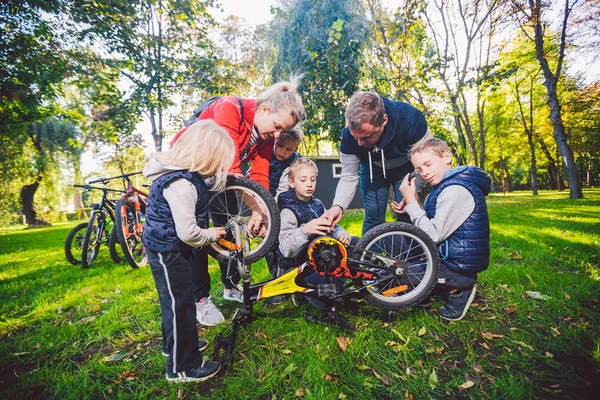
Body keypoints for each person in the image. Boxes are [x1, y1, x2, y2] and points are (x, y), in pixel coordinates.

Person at [171, 77, 306, 326]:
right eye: (276, 126)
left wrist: (260, 211)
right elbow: (230, 163)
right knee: (197, 235)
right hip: (189, 170)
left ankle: (230, 286)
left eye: (281, 132)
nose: (277, 136)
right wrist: (256, 206)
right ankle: (199, 300)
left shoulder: (266, 137)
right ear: (264, 109)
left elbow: (259, 178)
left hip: (220, 177)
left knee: (232, 225)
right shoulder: (230, 108)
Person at [142, 120, 235, 382]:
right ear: (205, 156)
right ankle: (183, 366)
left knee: (171, 302)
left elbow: (207, 186)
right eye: (218, 161)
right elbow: (188, 232)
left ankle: (172, 347)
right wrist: (212, 234)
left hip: (165, 248)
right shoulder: (180, 185)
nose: (219, 168)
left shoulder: (184, 177)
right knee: (180, 304)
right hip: (169, 252)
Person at [393, 137, 491, 321]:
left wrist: (413, 202)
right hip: (443, 258)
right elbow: (429, 225)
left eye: (428, 164)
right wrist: (409, 205)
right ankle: (425, 289)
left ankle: (459, 290)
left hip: (457, 268)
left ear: (447, 157)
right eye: (420, 169)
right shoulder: (441, 188)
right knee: (394, 244)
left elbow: (432, 235)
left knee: (395, 275)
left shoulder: (456, 190)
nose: (425, 173)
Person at [323, 92, 432, 235]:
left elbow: (426, 161)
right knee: (373, 214)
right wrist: (338, 206)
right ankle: (367, 256)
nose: (360, 143)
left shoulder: (411, 120)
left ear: (384, 120)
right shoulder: (349, 136)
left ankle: (411, 256)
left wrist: (415, 190)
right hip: (372, 168)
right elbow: (349, 176)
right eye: (356, 137)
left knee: (406, 211)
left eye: (366, 136)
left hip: (406, 167)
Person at [277, 158, 355, 309]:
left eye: (312, 179)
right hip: (301, 266)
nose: (309, 184)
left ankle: (342, 286)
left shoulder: (317, 204)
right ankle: (301, 293)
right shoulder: (288, 211)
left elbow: (334, 226)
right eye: (303, 179)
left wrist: (341, 235)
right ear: (292, 183)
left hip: (323, 258)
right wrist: (304, 230)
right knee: (329, 302)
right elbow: (286, 250)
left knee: (356, 243)